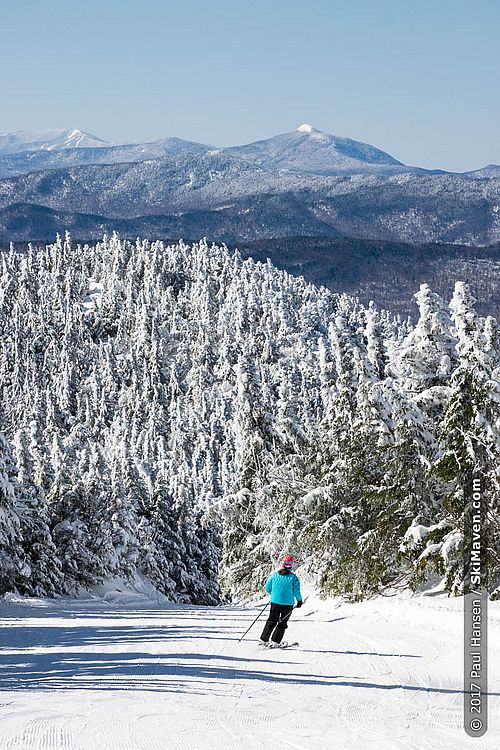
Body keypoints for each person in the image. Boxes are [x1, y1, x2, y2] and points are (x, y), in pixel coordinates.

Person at [259, 554, 303, 648]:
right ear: (291, 565)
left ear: (282, 563)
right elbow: (296, 591)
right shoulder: (293, 578)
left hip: (275, 602)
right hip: (287, 605)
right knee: (282, 622)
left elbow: (267, 588)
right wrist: (299, 601)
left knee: (271, 620)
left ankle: (263, 640)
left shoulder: (274, 575)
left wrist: (274, 595)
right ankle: (275, 641)